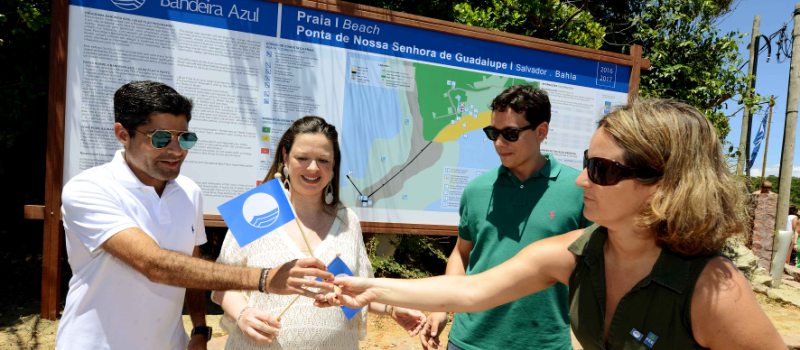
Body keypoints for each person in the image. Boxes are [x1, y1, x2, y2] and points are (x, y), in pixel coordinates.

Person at [323, 99, 787, 349]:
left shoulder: (713, 291)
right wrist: (366, 289)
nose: (583, 178)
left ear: (665, 184)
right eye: (588, 162)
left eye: (604, 170)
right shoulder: (577, 252)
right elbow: (471, 291)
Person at [57, 81, 335, 350]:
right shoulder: (89, 189)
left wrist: (200, 329)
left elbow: (190, 265)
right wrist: (265, 278)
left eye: (185, 138)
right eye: (161, 138)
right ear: (123, 134)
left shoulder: (189, 192)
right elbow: (155, 264)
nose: (177, 150)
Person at [212, 116, 426, 349]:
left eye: (323, 160)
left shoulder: (347, 221)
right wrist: (243, 314)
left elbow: (357, 290)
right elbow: (222, 283)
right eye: (302, 158)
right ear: (285, 156)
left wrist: (392, 308)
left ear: (334, 164)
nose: (313, 168)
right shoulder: (257, 210)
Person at [419, 84, 589, 350]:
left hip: (546, 343)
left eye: (510, 133)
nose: (499, 143)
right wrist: (444, 307)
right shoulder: (476, 190)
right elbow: (462, 254)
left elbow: (597, 267)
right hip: (469, 341)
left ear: (541, 131)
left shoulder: (579, 190)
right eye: (493, 133)